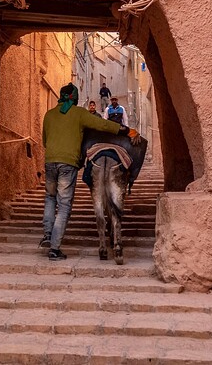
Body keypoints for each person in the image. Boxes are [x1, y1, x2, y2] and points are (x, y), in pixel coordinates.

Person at [41, 83, 139, 261]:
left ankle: (48, 235)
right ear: (74, 98)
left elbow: (45, 141)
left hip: (50, 162)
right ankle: (54, 249)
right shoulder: (79, 114)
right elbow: (101, 124)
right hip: (68, 163)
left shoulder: (49, 115)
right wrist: (124, 130)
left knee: (49, 198)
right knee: (64, 205)